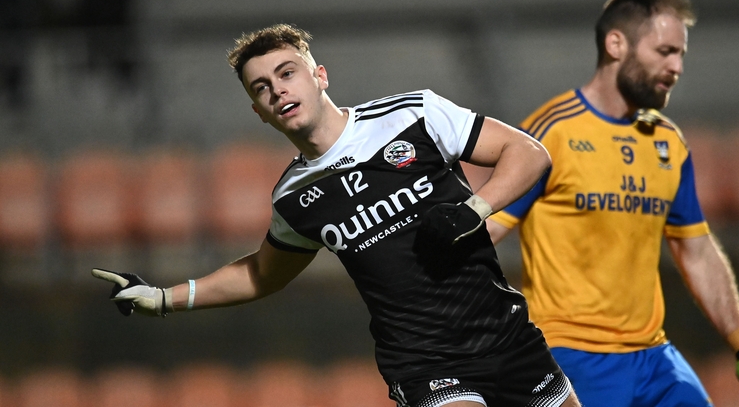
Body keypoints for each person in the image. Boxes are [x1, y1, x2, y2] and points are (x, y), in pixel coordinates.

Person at [92, 23, 582, 407]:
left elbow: (528, 153)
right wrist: (161, 298)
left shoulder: (412, 115)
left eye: (287, 73)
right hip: (423, 362)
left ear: (318, 76)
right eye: (261, 88)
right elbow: (262, 274)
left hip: (507, 335)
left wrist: (476, 208)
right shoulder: (292, 196)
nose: (278, 90)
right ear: (258, 111)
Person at [486, 0, 739, 407]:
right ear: (615, 45)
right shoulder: (551, 134)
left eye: (680, 54)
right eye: (664, 51)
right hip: (571, 356)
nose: (676, 67)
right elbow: (485, 230)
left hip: (655, 358)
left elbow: (695, 251)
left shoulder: (667, 142)